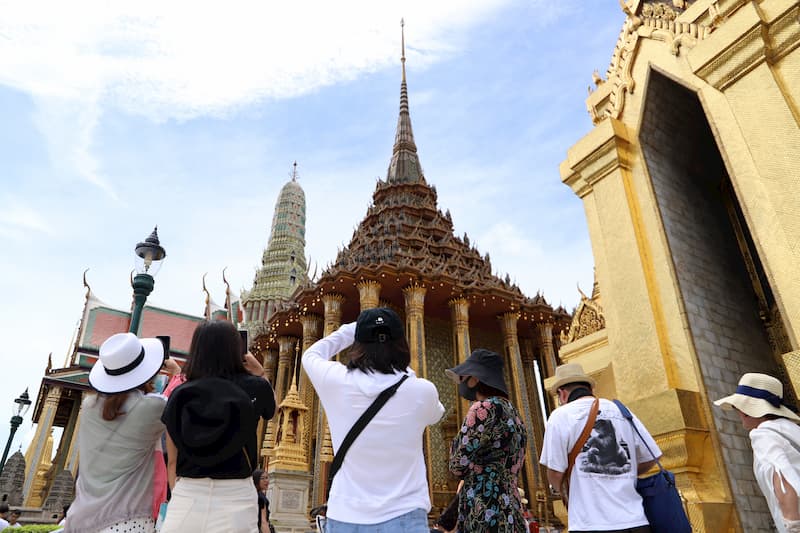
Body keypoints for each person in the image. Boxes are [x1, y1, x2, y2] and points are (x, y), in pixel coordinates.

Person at [302, 307, 445, 532]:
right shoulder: (422, 391)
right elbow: (438, 413)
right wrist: (406, 373)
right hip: (405, 516)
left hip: (345, 516)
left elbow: (310, 355)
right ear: (402, 345)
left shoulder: (335, 381)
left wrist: (351, 330)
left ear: (358, 343)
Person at [160, 320, 276, 533]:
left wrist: (179, 495)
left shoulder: (180, 393)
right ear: (236, 349)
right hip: (236, 495)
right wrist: (261, 373)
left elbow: (172, 461)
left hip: (188, 493)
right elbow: (271, 410)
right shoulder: (255, 386)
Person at [64, 332, 180, 533]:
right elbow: (181, 403)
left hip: (80, 520)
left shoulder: (90, 406)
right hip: (126, 521)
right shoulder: (150, 408)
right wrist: (178, 374)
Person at [539, 363, 659, 533]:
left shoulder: (560, 416)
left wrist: (568, 489)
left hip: (590, 523)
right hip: (635, 521)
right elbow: (652, 456)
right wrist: (624, 472)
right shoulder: (620, 410)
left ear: (562, 393)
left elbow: (555, 473)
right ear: (589, 388)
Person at [446, 348, 528, 532]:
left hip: (483, 505)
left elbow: (458, 465)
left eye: (463, 377)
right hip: (511, 505)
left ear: (475, 379)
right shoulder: (514, 414)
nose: (462, 383)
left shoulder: (482, 409)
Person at [715, 373, 800, 533]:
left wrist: (794, 527)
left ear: (746, 410)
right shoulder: (792, 429)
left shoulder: (763, 435)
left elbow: (783, 479)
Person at [252, 469, 273, 533]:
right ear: (256, 480)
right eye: (262, 478)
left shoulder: (252, 494)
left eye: (267, 478)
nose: (266, 481)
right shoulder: (260, 497)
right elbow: (263, 522)